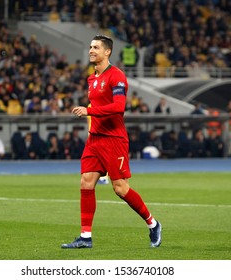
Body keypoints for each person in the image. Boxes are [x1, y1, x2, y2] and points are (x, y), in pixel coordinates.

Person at [62, 35, 162, 249]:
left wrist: (88, 110)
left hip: (113, 140)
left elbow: (118, 107)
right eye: (90, 46)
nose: (91, 50)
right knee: (86, 182)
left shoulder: (116, 76)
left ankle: (152, 224)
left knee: (120, 188)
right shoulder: (92, 78)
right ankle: (85, 237)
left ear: (107, 52)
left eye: (95, 47)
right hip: (95, 140)